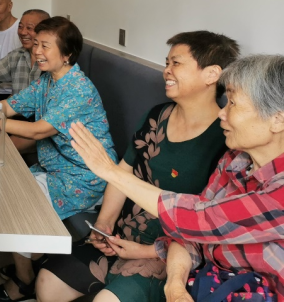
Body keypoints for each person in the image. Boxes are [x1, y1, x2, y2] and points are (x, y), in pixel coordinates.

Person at [36, 31, 240, 302]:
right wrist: (105, 224)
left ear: (212, 74)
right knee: (46, 284)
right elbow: (124, 171)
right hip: (122, 235)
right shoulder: (157, 115)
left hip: (170, 252)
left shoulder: (226, 139)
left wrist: (145, 251)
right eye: (166, 63)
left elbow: (206, 225)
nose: (166, 71)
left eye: (176, 63)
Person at [69, 55, 284, 302]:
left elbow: (201, 218)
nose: (222, 113)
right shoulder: (234, 160)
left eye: (233, 103)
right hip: (207, 281)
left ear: (277, 119)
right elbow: (192, 235)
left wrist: (111, 172)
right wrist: (175, 286)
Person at [0, 16, 116, 301]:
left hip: (83, 177)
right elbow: (10, 105)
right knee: (4, 188)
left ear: (67, 54)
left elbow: (39, 130)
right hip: (54, 167)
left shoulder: (77, 89)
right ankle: (33, 262)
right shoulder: (48, 81)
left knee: (17, 204)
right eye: (36, 44)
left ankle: (24, 281)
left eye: (45, 46)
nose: (36, 51)